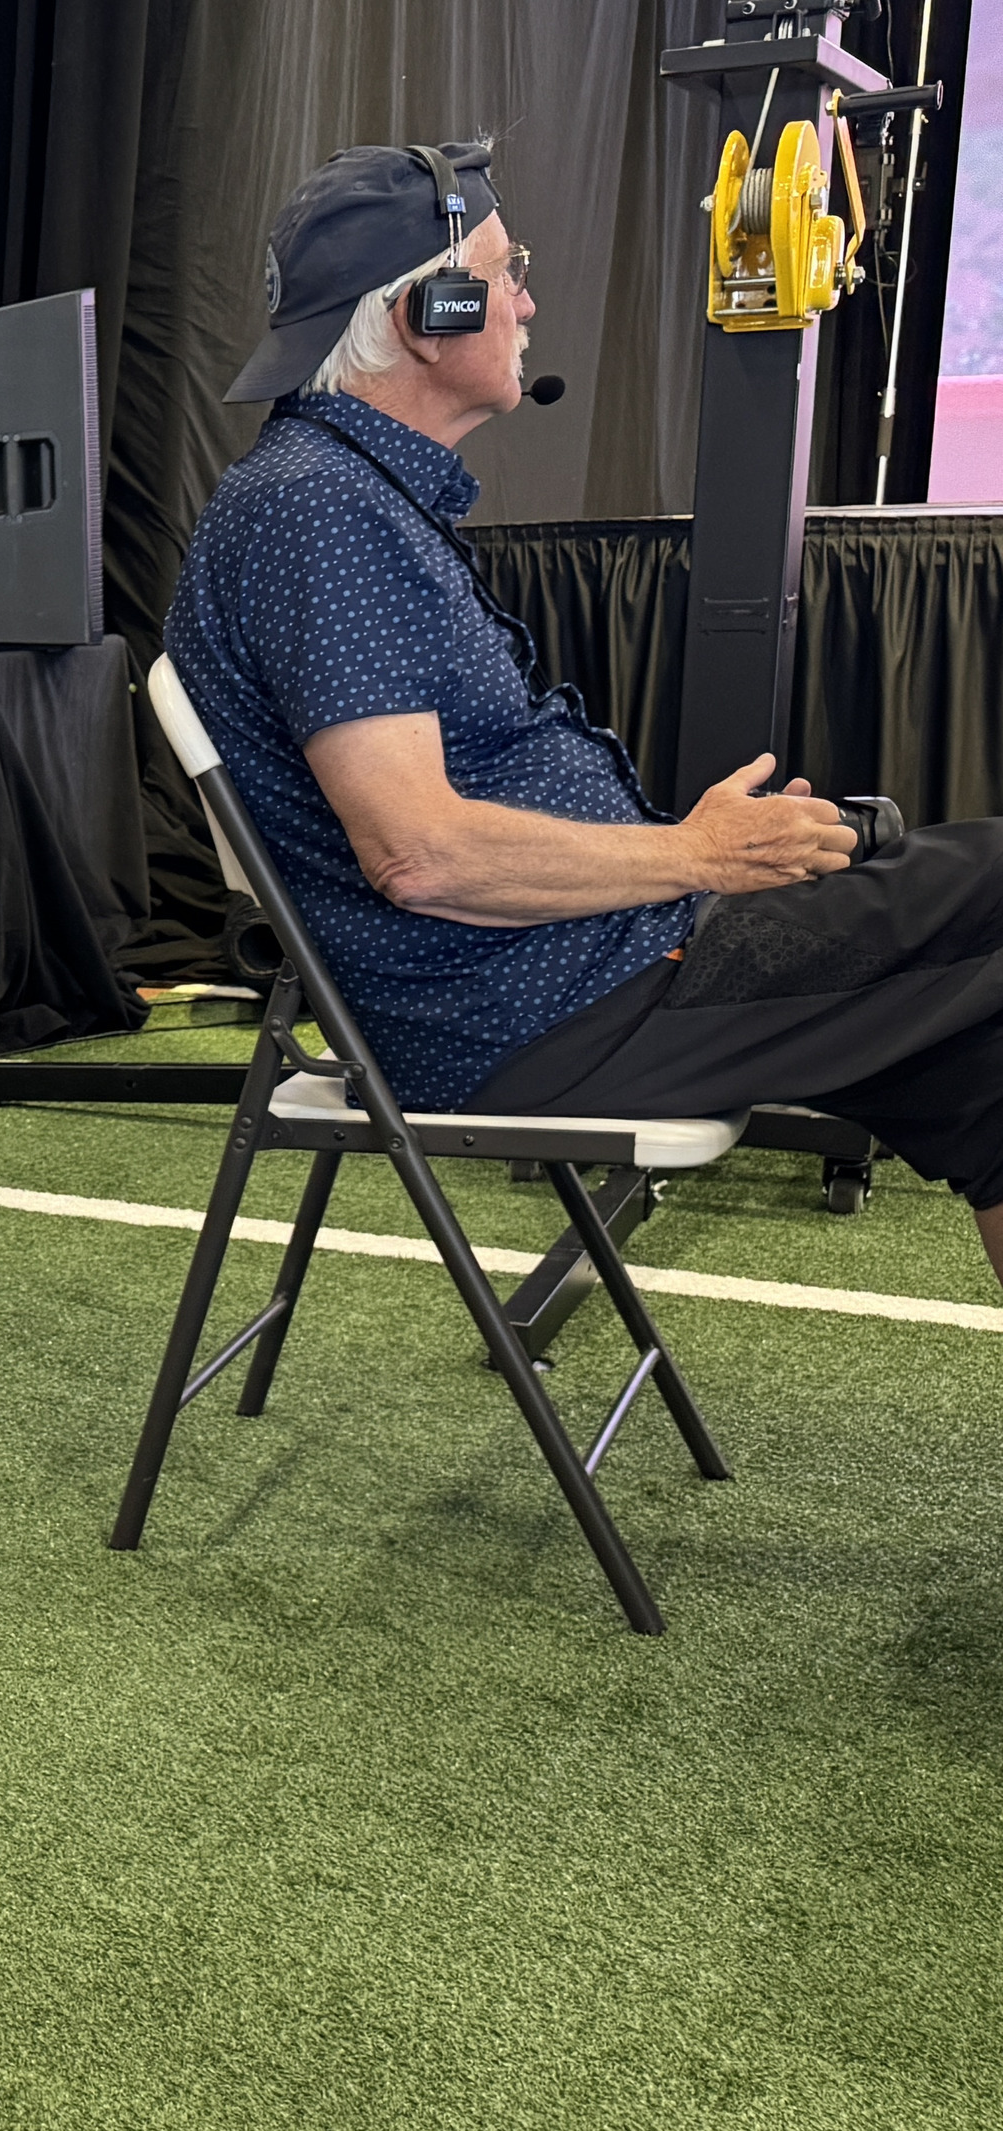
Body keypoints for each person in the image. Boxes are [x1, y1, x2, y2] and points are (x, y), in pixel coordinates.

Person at [168, 140, 1003, 1286]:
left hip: (586, 973)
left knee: (984, 1075)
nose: (523, 304)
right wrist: (693, 854)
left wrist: (695, 864)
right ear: (427, 315)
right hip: (547, 1014)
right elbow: (419, 855)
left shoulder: (334, 494)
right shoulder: (317, 510)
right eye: (503, 274)